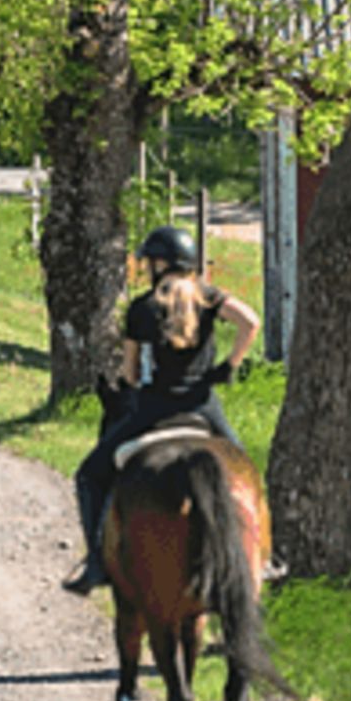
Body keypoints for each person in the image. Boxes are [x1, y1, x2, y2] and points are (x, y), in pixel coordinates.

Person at [61, 225, 261, 595]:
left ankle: (96, 564)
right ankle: (262, 559)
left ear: (160, 264)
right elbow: (251, 321)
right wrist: (227, 366)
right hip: (203, 404)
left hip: (154, 409)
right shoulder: (210, 297)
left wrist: (131, 386)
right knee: (246, 473)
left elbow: (130, 373)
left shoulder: (142, 308)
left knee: (89, 475)